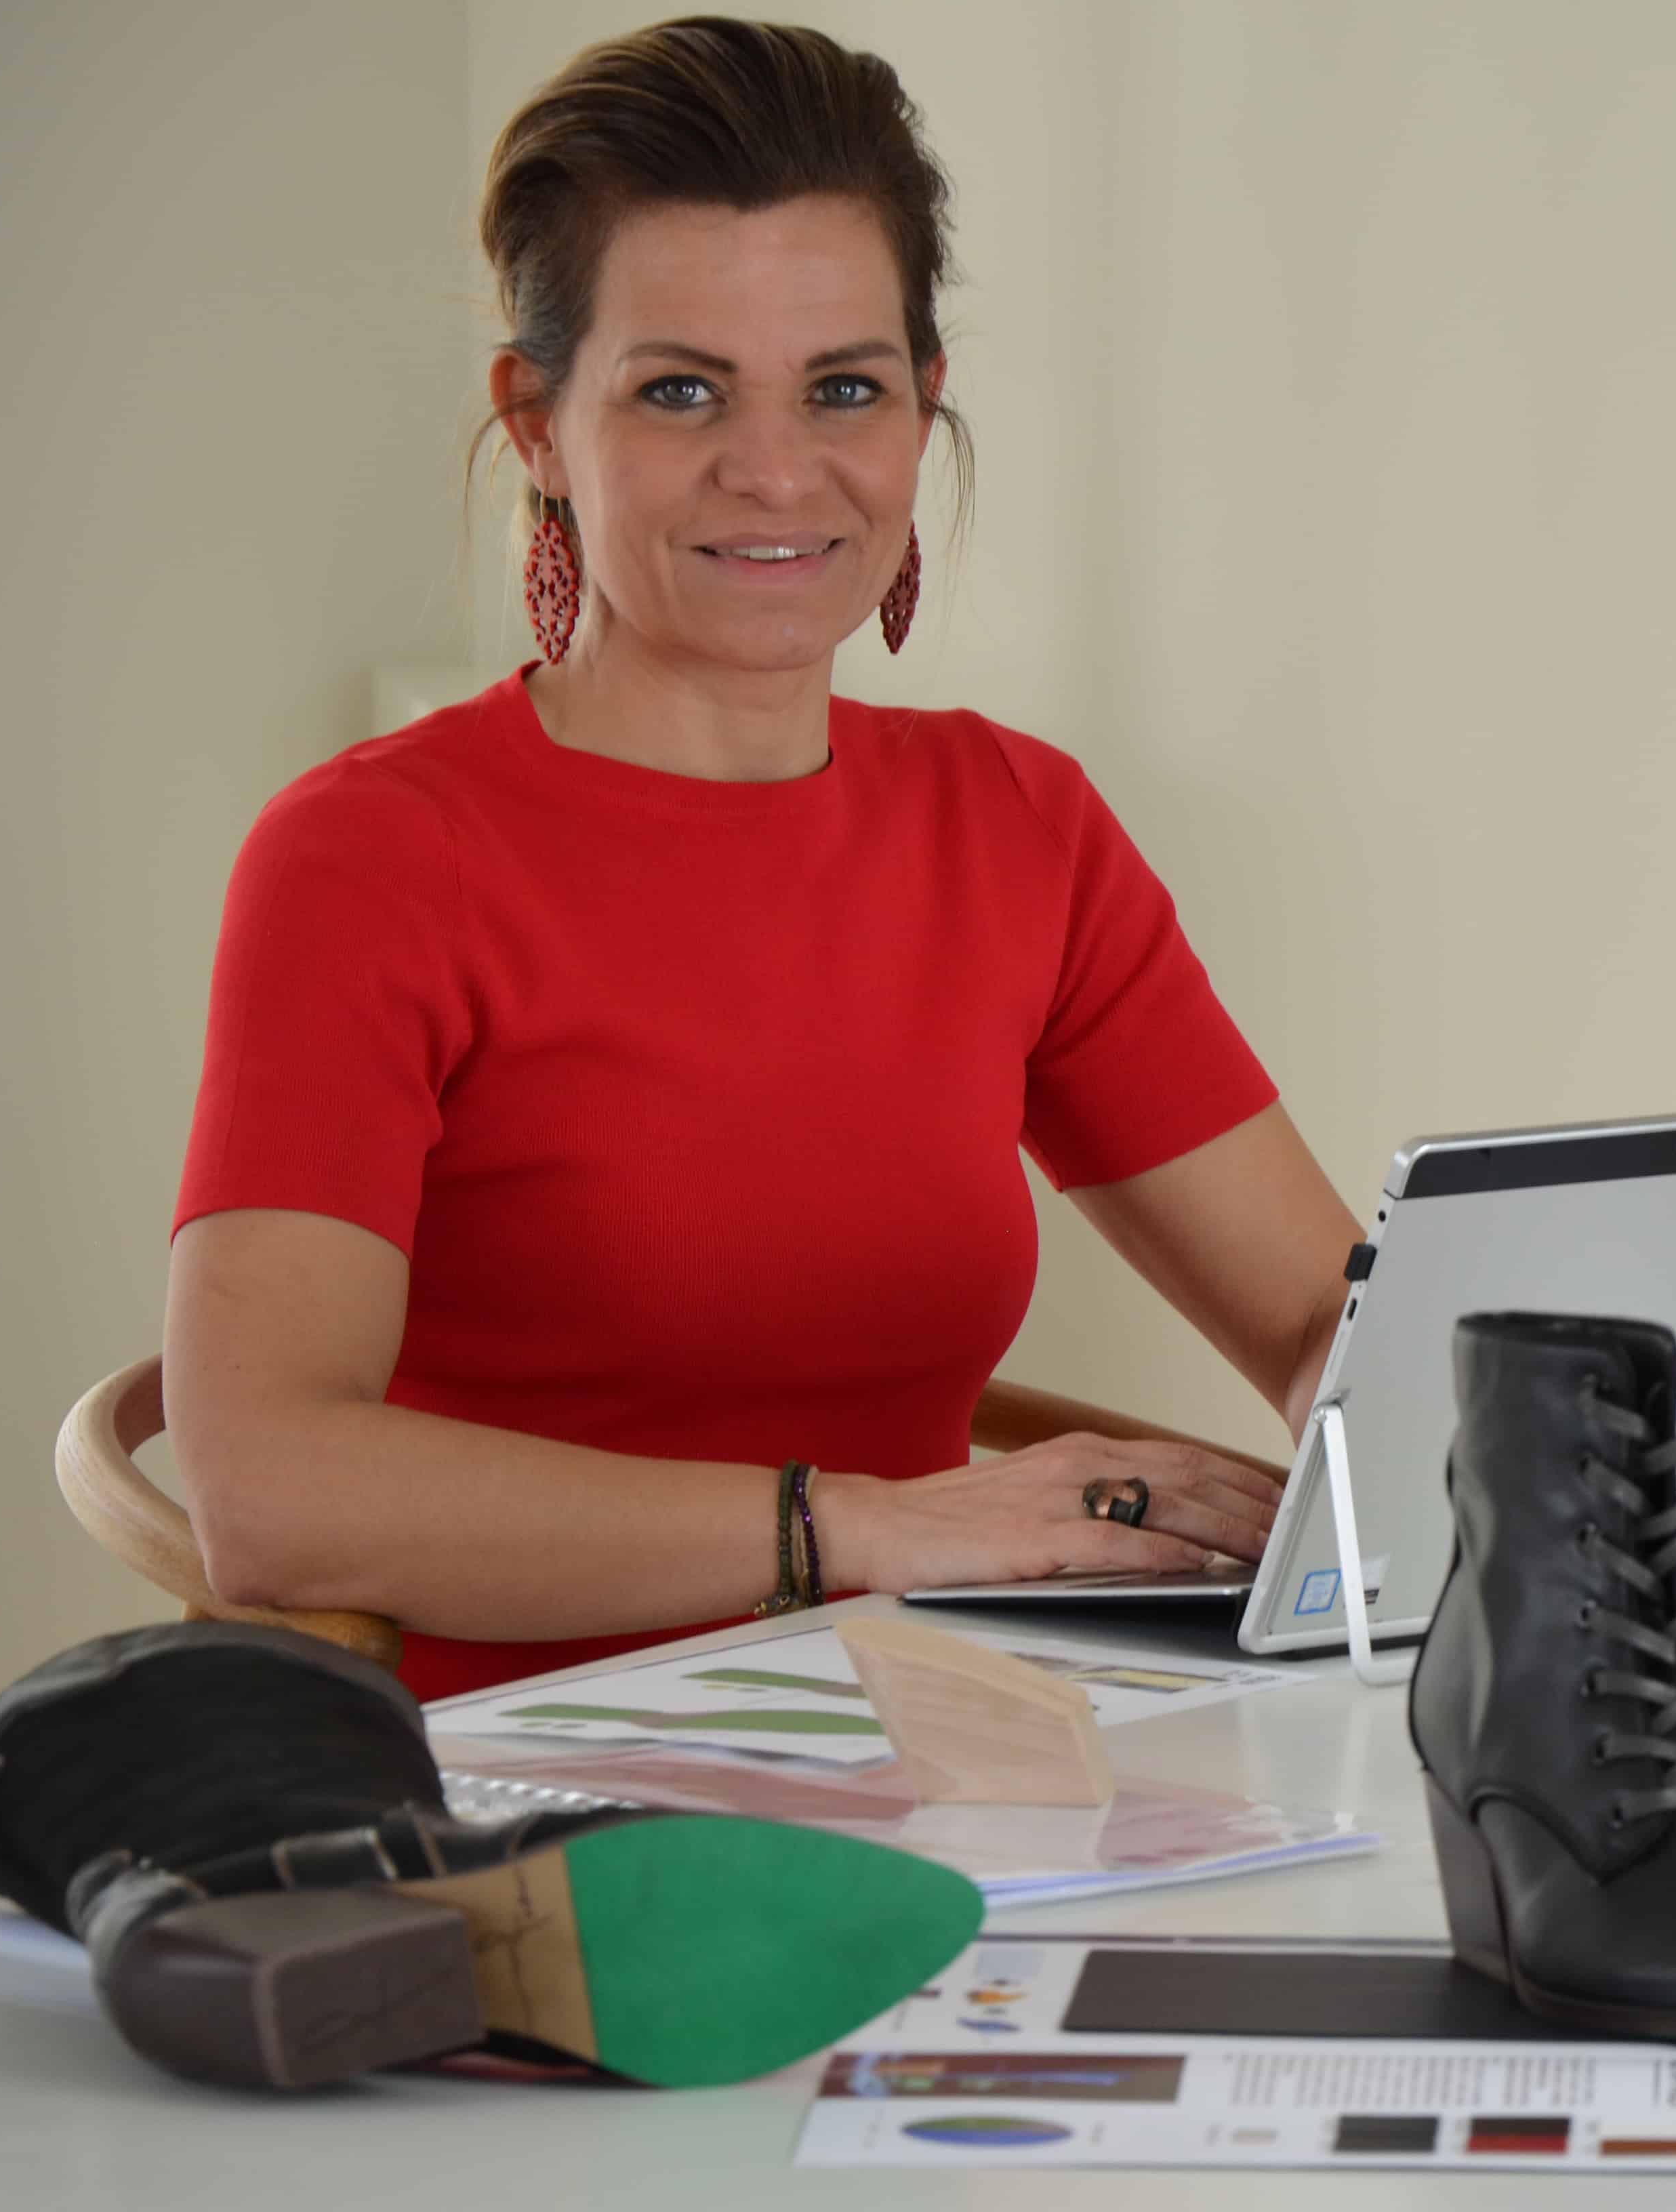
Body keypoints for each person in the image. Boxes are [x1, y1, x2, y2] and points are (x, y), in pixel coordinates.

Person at [167, 16, 1359, 1702]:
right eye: (681, 391)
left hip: (941, 1750)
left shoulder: (1015, 825)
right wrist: (854, 1527)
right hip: (510, 1778)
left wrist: (1455, 1449)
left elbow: (1322, 1322)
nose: (778, 470)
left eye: (843, 389)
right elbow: (268, 1487)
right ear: (536, 423)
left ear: (924, 407)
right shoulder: (373, 857)